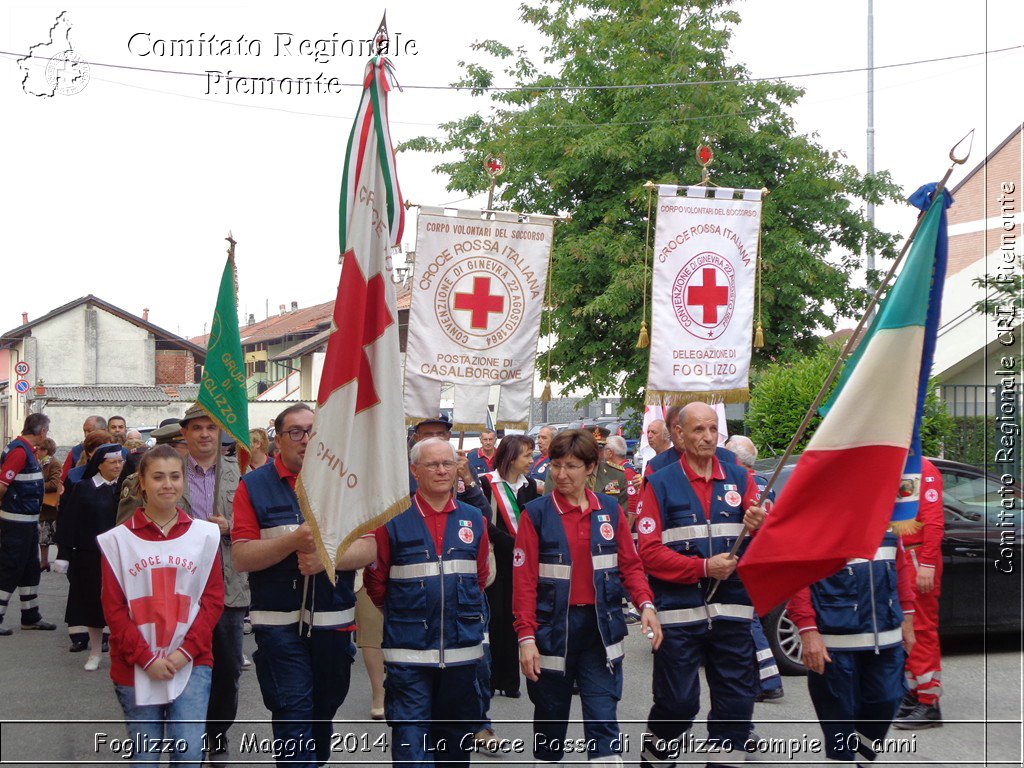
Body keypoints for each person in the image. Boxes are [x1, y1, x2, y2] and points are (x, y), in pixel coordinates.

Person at [233, 403, 375, 768]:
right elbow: (243, 557)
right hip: (278, 627)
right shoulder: (253, 486)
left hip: (334, 623)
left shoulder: (348, 481)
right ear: (278, 440)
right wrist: (292, 542)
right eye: (295, 432)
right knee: (293, 713)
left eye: (312, 430)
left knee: (322, 712)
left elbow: (370, 547)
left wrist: (327, 558)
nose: (306, 439)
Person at [514, 429, 661, 765]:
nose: (561, 474)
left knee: (603, 718)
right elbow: (524, 583)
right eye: (555, 465)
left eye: (571, 466)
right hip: (553, 632)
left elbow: (630, 566)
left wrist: (646, 604)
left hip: (600, 629)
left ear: (590, 467)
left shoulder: (609, 510)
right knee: (550, 722)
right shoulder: (535, 514)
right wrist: (525, 638)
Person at [636, 402, 765, 768]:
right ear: (678, 434)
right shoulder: (659, 482)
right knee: (677, 705)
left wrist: (760, 524)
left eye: (712, 430)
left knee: (736, 707)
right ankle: (657, 758)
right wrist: (704, 567)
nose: (708, 437)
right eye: (698, 430)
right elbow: (649, 552)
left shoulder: (741, 479)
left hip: (733, 615)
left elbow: (761, 541)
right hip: (679, 616)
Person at [365, 437, 490, 767]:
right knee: (410, 745)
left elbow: (478, 578)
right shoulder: (391, 519)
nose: (441, 470)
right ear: (414, 471)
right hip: (408, 655)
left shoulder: (474, 518)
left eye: (448, 464)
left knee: (454, 748)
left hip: (461, 657)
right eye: (432, 464)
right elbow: (376, 584)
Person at [98, 444, 224, 767]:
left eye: (174, 476)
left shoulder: (205, 536)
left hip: (192, 661)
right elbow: (114, 609)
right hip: (134, 665)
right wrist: (146, 658)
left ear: (183, 480)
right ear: (142, 482)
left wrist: (184, 653)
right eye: (158, 477)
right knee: (144, 756)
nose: (167, 484)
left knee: (189, 753)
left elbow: (212, 601)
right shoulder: (116, 541)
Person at [787, 530, 916, 764]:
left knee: (888, 700)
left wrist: (908, 616)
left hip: (886, 642)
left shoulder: (886, 520)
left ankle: (860, 759)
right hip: (835, 644)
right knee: (838, 718)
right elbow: (796, 577)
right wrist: (807, 630)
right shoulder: (816, 525)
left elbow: (901, 567)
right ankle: (844, 760)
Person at [175, 404, 248, 762]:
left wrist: (231, 527)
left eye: (211, 428)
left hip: (229, 585)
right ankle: (186, 734)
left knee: (228, 666)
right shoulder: (169, 475)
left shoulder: (243, 473)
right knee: (183, 663)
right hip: (180, 588)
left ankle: (216, 735)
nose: (205, 434)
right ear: (185, 434)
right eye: (197, 428)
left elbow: (259, 525)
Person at [723, 434, 784, 703]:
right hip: (764, 557)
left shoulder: (740, 483)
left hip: (747, 556)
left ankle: (769, 680)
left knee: (748, 620)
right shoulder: (764, 484)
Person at [479, 433, 539, 699]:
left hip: (521, 561)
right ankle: (491, 678)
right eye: (527, 454)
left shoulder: (529, 487)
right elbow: (484, 522)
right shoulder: (486, 484)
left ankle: (511, 680)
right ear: (511, 457)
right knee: (496, 618)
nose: (531, 459)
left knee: (515, 618)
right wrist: (507, 542)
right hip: (496, 559)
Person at [55, 443, 124, 670]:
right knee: (93, 605)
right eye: (113, 462)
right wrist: (64, 553)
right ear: (99, 464)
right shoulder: (84, 488)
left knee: (122, 606)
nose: (118, 466)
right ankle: (95, 652)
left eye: (120, 461)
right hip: (90, 556)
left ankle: (122, 652)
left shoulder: (126, 489)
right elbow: (69, 522)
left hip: (121, 557)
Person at [894, 457, 945, 729]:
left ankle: (929, 702)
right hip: (904, 558)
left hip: (917, 558)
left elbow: (934, 522)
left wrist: (926, 564)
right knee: (906, 630)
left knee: (921, 629)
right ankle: (915, 694)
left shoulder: (923, 469)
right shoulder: (900, 466)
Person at [0, 413, 58, 635]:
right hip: (16, 523)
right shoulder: (19, 451)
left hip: (27, 522)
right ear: (42, 432)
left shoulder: (25, 450)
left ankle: (30, 615)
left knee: (29, 569)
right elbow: (3, 484)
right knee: (10, 567)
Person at [58, 428, 114, 651]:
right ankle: (79, 634)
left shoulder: (121, 483)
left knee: (106, 590)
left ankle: (105, 635)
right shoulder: (76, 477)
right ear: (91, 453)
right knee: (81, 588)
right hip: (83, 544)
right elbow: (67, 514)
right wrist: (64, 549)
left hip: (107, 547)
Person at [643, 405, 737, 479]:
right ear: (669, 430)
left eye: (692, 427)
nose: (683, 433)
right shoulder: (656, 466)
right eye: (677, 427)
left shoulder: (729, 459)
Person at [37, 437, 61, 571]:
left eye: (39, 448)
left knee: (57, 535)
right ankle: (44, 562)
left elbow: (54, 483)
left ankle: (60, 561)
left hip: (51, 506)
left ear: (46, 450)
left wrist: (36, 484)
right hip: (43, 507)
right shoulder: (40, 463)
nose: (37, 451)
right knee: (43, 537)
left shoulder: (54, 463)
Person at [61, 415, 107, 481]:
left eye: (89, 431)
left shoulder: (116, 451)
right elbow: (64, 479)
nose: (85, 435)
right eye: (84, 431)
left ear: (103, 431)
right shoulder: (75, 451)